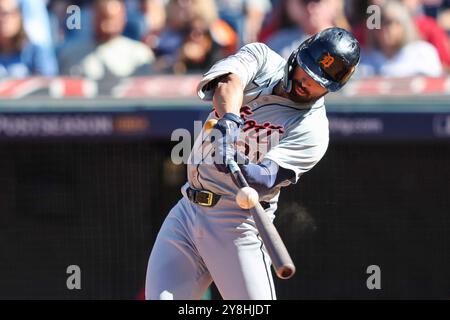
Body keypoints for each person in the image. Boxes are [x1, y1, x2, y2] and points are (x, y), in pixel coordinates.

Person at [145, 27, 360, 300]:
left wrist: (238, 163)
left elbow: (267, 177)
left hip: (236, 223)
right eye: (306, 70)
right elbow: (228, 82)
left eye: (320, 82)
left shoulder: (313, 130)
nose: (307, 82)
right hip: (187, 211)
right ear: (298, 55)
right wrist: (230, 124)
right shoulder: (263, 58)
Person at [58, 0, 154, 80]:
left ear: (122, 19)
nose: (105, 26)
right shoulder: (71, 53)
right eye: (101, 19)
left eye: (110, 20)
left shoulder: (140, 54)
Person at [358, 0, 442, 77]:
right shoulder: (362, 59)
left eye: (388, 22)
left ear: (404, 25)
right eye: (377, 22)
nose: (382, 28)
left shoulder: (423, 54)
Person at [0, 0, 58, 77]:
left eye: (6, 13)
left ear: (19, 16)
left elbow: (48, 84)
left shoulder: (35, 52)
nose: (2, 19)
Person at [265, 0, 341, 59]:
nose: (310, 8)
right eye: (305, 1)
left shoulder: (343, 44)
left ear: (334, 4)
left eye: (317, 1)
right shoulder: (278, 42)